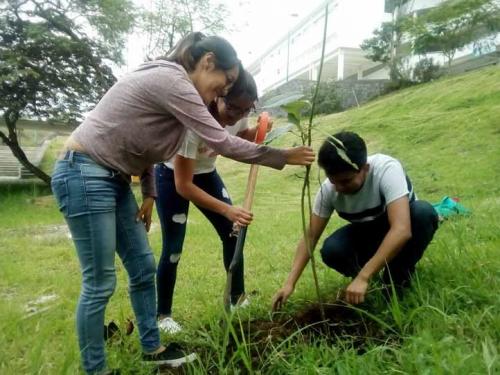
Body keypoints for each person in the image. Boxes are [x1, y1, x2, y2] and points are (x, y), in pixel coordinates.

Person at [51, 31, 314, 375]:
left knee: (143, 269)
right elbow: (221, 141)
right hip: (84, 174)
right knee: (100, 282)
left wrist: (147, 193)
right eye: (226, 80)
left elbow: (140, 143)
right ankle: (95, 370)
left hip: (112, 179)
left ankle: (152, 348)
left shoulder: (179, 92)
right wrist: (281, 155)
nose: (225, 90)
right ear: (207, 63)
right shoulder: (173, 81)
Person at [155, 69, 268, 333]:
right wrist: (227, 209)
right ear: (218, 95)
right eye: (232, 107)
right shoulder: (193, 122)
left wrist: (257, 131)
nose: (237, 115)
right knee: (173, 248)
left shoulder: (239, 115)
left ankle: (236, 298)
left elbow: (233, 140)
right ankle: (163, 316)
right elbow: (184, 186)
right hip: (172, 176)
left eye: (245, 109)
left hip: (207, 173)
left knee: (234, 231)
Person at [272, 131, 438, 310]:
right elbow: (310, 236)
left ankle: (397, 276)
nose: (340, 188)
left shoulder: (387, 169)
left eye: (346, 181)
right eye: (334, 182)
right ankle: (366, 280)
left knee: (423, 212)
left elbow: (401, 229)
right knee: (332, 250)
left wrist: (363, 277)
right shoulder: (329, 190)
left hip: (401, 226)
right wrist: (289, 284)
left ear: (365, 168)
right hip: (368, 232)